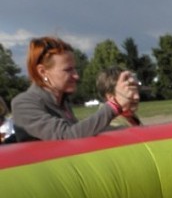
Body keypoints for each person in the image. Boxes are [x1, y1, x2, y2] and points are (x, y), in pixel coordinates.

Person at [11, 36, 139, 142]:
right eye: (68, 70)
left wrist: (130, 132)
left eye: (75, 68)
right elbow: (67, 136)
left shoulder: (62, 100)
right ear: (43, 71)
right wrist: (114, 106)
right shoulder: (23, 104)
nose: (76, 75)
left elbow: (80, 130)